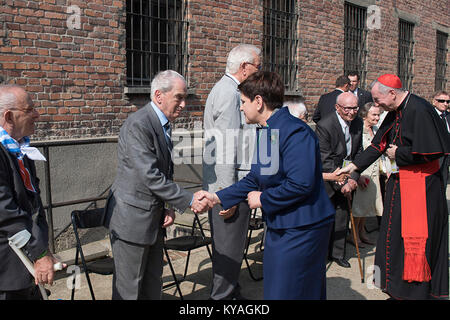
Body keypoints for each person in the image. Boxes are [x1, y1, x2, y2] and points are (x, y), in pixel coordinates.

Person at [200, 71, 335, 300]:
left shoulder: (295, 132)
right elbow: (255, 179)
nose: (241, 108)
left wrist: (262, 199)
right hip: (282, 225)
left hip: (303, 227)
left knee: (292, 292)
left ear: (259, 101)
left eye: (243, 102)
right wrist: (217, 197)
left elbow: (301, 184)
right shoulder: (267, 131)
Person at [338, 74, 449, 300]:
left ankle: (415, 292)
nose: (375, 104)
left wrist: (399, 153)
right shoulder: (395, 111)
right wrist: (353, 168)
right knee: (393, 238)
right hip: (401, 186)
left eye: (378, 100)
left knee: (414, 243)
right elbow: (379, 143)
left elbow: (433, 151)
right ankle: (397, 289)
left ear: (392, 93)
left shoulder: (419, 110)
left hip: (421, 189)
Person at [105, 70, 211, 300]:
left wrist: (167, 206)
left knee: (152, 285)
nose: (183, 104)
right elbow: (149, 175)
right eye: (179, 97)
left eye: (185, 98)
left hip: (152, 218)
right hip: (132, 221)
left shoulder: (162, 123)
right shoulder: (139, 125)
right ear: (159, 95)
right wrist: (190, 199)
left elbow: (164, 171)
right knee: (129, 290)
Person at [202, 44, 261, 300]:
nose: (260, 71)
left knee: (232, 249)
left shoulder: (229, 90)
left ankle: (231, 291)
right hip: (231, 185)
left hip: (232, 184)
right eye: (258, 66)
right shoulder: (228, 93)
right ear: (244, 67)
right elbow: (225, 149)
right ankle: (222, 299)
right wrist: (228, 195)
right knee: (229, 249)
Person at [0, 85, 59, 299]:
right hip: (7, 271)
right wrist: (39, 252)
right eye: (29, 109)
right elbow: (7, 214)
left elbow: (34, 203)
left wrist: (42, 246)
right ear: (9, 116)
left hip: (26, 263)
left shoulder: (20, 148)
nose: (37, 114)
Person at [315, 92, 363, 268]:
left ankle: (337, 253)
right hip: (329, 179)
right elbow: (325, 159)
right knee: (325, 218)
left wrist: (352, 179)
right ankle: (321, 254)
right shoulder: (325, 125)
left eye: (355, 108)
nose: (351, 112)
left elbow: (359, 153)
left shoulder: (358, 122)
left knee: (342, 216)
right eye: (347, 109)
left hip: (348, 176)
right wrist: (340, 182)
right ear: (337, 108)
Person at [350, 102, 383, 247]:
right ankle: (353, 235)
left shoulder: (375, 130)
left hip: (374, 173)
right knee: (358, 207)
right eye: (374, 114)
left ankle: (362, 232)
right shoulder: (358, 130)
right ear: (365, 115)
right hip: (362, 174)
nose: (377, 117)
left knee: (368, 206)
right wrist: (358, 175)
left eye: (378, 114)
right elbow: (354, 154)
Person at [432, 90, 449, 185]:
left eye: (448, 102)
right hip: (434, 154)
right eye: (442, 101)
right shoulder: (430, 115)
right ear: (434, 101)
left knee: (444, 181)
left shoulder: (448, 116)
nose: (445, 104)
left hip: (446, 155)